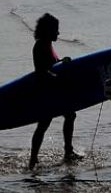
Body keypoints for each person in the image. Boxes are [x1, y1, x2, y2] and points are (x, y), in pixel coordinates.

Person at [29, 13, 83, 169]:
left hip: (53, 90)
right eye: (55, 30)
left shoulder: (46, 44)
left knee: (69, 115)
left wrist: (61, 62)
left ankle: (66, 151)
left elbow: (51, 65)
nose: (58, 33)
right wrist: (58, 78)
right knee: (44, 124)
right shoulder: (40, 46)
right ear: (47, 30)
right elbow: (42, 71)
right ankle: (33, 159)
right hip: (47, 91)